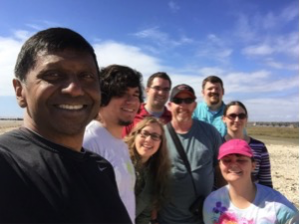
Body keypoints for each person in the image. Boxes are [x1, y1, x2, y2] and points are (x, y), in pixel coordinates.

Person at [0, 28, 131, 223]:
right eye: (53, 74)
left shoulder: (101, 167)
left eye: (86, 76)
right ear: (20, 92)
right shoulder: (7, 164)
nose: (75, 89)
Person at [83, 64, 144, 223]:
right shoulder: (88, 141)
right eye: (122, 93)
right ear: (102, 97)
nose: (131, 101)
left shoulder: (122, 144)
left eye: (135, 94)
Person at [157, 84, 223, 224]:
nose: (183, 105)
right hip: (168, 219)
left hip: (204, 217)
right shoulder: (159, 135)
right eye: (178, 101)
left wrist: (221, 204)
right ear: (170, 105)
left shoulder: (210, 132)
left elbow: (220, 170)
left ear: (194, 105)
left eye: (188, 100)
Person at [203, 139, 298, 224]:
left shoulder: (278, 208)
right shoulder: (211, 202)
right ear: (219, 166)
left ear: (253, 165)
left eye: (241, 160)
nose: (234, 165)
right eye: (227, 160)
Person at [124, 117, 170, 224]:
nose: (148, 140)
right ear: (135, 134)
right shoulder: (119, 160)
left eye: (154, 136)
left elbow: (144, 214)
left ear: (161, 143)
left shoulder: (156, 173)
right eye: (144, 133)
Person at [222, 101, 273, 188]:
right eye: (232, 116)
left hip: (254, 198)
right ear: (224, 119)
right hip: (220, 198)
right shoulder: (216, 145)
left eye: (241, 116)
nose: (237, 120)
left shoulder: (260, 147)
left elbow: (266, 181)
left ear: (246, 119)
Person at [123, 72, 172, 137]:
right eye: (157, 88)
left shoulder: (173, 118)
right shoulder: (131, 115)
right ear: (147, 90)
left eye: (166, 89)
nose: (161, 93)